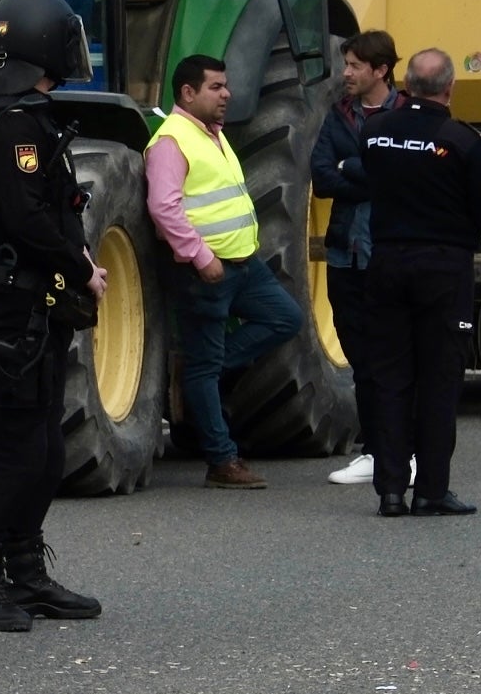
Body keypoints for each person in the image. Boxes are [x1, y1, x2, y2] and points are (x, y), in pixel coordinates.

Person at [0, 0, 104, 631]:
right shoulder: (12, 121)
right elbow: (24, 216)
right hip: (16, 300)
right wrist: (81, 267)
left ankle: (25, 569)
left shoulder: (34, 116)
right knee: (17, 441)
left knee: (45, 442)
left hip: (42, 299)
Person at [359, 49, 481, 517]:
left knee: (390, 377)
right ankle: (431, 490)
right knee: (439, 378)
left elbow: (365, 181)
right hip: (443, 269)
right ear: (449, 88)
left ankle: (389, 491)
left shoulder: (375, 132)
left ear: (406, 86)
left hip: (385, 264)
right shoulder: (462, 140)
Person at [145, 54, 302, 489]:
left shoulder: (212, 133)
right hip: (206, 272)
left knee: (285, 318)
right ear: (188, 93)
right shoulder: (171, 141)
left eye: (225, 85)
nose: (227, 94)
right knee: (206, 365)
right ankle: (221, 460)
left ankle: (194, 374)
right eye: (216, 87)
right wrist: (200, 257)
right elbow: (163, 207)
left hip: (243, 266)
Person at [312, 31, 401, 487]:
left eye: (353, 65)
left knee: (393, 354)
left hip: (388, 251)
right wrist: (364, 173)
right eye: (345, 64)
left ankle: (400, 449)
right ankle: (374, 449)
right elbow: (323, 177)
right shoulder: (338, 115)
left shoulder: (405, 114)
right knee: (359, 354)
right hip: (345, 252)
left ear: (380, 70)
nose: (345, 73)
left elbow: (402, 174)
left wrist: (357, 168)